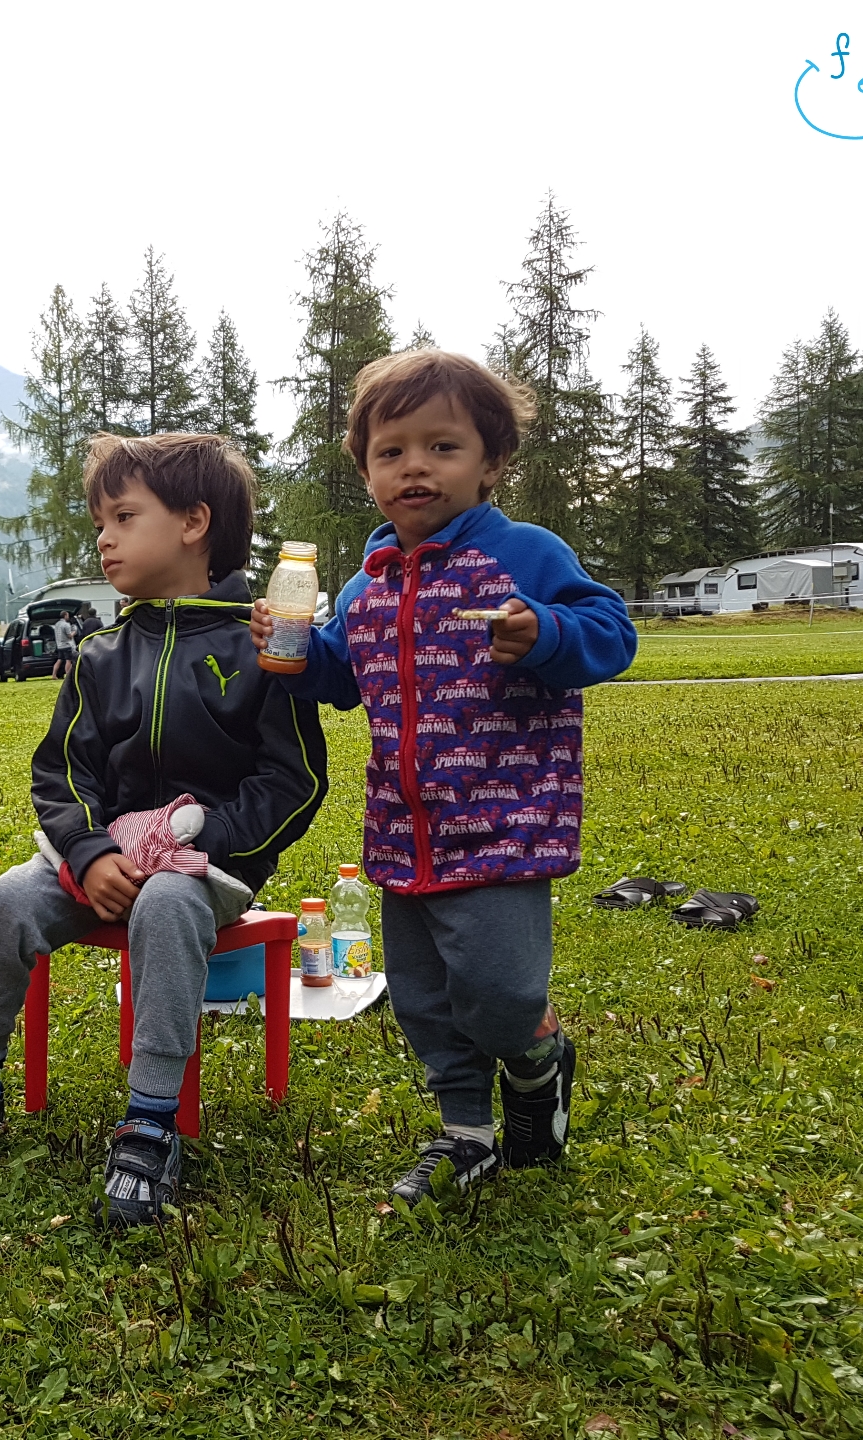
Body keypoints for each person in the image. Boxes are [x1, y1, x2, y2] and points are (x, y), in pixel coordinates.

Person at [0, 433, 328, 1225]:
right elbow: (60, 772)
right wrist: (88, 853)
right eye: (99, 521)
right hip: (98, 859)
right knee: (7, 901)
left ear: (194, 523)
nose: (103, 537)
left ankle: (151, 1119)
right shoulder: (100, 650)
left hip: (204, 870)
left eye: (123, 516)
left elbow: (294, 783)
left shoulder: (264, 647)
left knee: (167, 905)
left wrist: (197, 848)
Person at [248, 349, 636, 1206]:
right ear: (367, 472)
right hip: (400, 828)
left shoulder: (525, 555)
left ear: (490, 462)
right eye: (391, 452)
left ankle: (537, 1059)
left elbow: (612, 633)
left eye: (443, 447)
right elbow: (344, 680)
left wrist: (543, 635)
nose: (414, 466)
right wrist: (293, 653)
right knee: (424, 1001)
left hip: (502, 825)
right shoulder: (366, 583)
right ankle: (466, 1133)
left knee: (499, 995)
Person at [50, 611, 76, 679]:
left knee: (59, 660)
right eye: (67, 615)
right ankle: (68, 675)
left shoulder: (57, 624)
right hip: (66, 644)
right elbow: (69, 636)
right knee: (68, 660)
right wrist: (74, 632)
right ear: (65, 615)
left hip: (59, 645)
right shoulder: (66, 625)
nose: (68, 617)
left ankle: (54, 675)